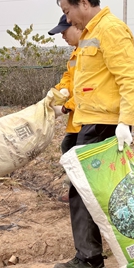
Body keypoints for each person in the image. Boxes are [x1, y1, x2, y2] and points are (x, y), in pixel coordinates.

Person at [52, 0, 134, 268]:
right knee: (114, 186)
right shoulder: (92, 33)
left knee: (83, 190)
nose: (67, 19)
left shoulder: (110, 29)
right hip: (91, 120)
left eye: (67, 11)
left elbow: (130, 78)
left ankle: (90, 259)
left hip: (103, 122)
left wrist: (125, 122)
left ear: (82, 2)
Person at [48, 14, 82, 203]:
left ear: (77, 26)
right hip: (77, 117)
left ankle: (79, 193)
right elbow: (69, 78)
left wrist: (65, 108)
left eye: (64, 31)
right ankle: (75, 191)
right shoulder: (75, 53)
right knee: (68, 148)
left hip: (88, 116)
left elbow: (90, 88)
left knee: (74, 151)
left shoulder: (88, 51)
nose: (62, 36)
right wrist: (60, 90)